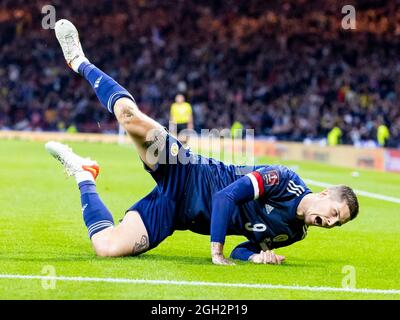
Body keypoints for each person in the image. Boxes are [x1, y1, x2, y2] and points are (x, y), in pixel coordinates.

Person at [46, 19, 359, 266]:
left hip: (175, 211)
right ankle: (79, 61)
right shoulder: (283, 179)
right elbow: (224, 198)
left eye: (337, 223)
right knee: (128, 115)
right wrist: (216, 251)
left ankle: (84, 174)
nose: (330, 222)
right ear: (325, 193)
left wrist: (256, 256)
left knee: (107, 248)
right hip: (185, 171)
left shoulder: (292, 233)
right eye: (334, 212)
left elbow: (244, 249)